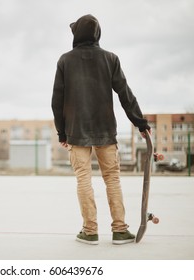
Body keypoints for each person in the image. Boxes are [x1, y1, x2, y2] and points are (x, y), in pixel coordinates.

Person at [51, 14, 151, 245]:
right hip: (105, 128)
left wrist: (62, 133)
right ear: (97, 34)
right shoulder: (110, 58)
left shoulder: (65, 60)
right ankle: (119, 230)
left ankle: (90, 231)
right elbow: (124, 93)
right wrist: (140, 123)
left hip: (77, 130)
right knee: (112, 178)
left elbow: (57, 100)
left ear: (77, 34)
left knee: (83, 178)